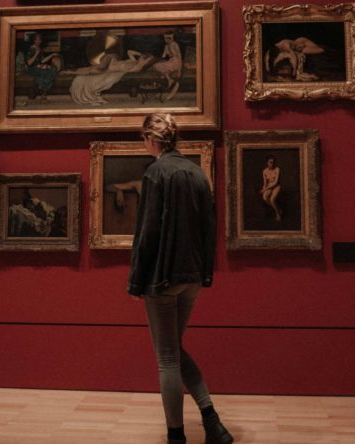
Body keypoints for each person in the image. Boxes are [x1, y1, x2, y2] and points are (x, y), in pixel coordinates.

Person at [128, 113, 233, 444]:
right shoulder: (197, 173)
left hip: (162, 278)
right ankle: (212, 422)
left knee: (167, 358)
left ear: (151, 139)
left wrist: (136, 281)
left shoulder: (156, 173)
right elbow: (209, 230)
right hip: (191, 279)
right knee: (174, 349)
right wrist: (205, 274)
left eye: (143, 138)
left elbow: (147, 233)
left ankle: (176, 436)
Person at [151, 31, 183, 101]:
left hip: (176, 61)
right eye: (165, 38)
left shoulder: (175, 44)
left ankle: (169, 79)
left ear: (172, 38)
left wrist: (179, 70)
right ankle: (169, 79)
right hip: (170, 61)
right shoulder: (166, 46)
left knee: (163, 69)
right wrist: (159, 61)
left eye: (169, 38)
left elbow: (179, 57)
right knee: (155, 66)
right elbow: (163, 56)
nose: (167, 40)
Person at [260, 155, 283, 222]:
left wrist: (264, 189)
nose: (272, 164)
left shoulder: (277, 169)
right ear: (267, 163)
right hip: (269, 186)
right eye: (270, 162)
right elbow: (265, 183)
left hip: (276, 186)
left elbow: (275, 182)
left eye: (273, 162)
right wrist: (263, 188)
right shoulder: (264, 171)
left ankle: (278, 214)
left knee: (272, 200)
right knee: (265, 198)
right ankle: (278, 209)